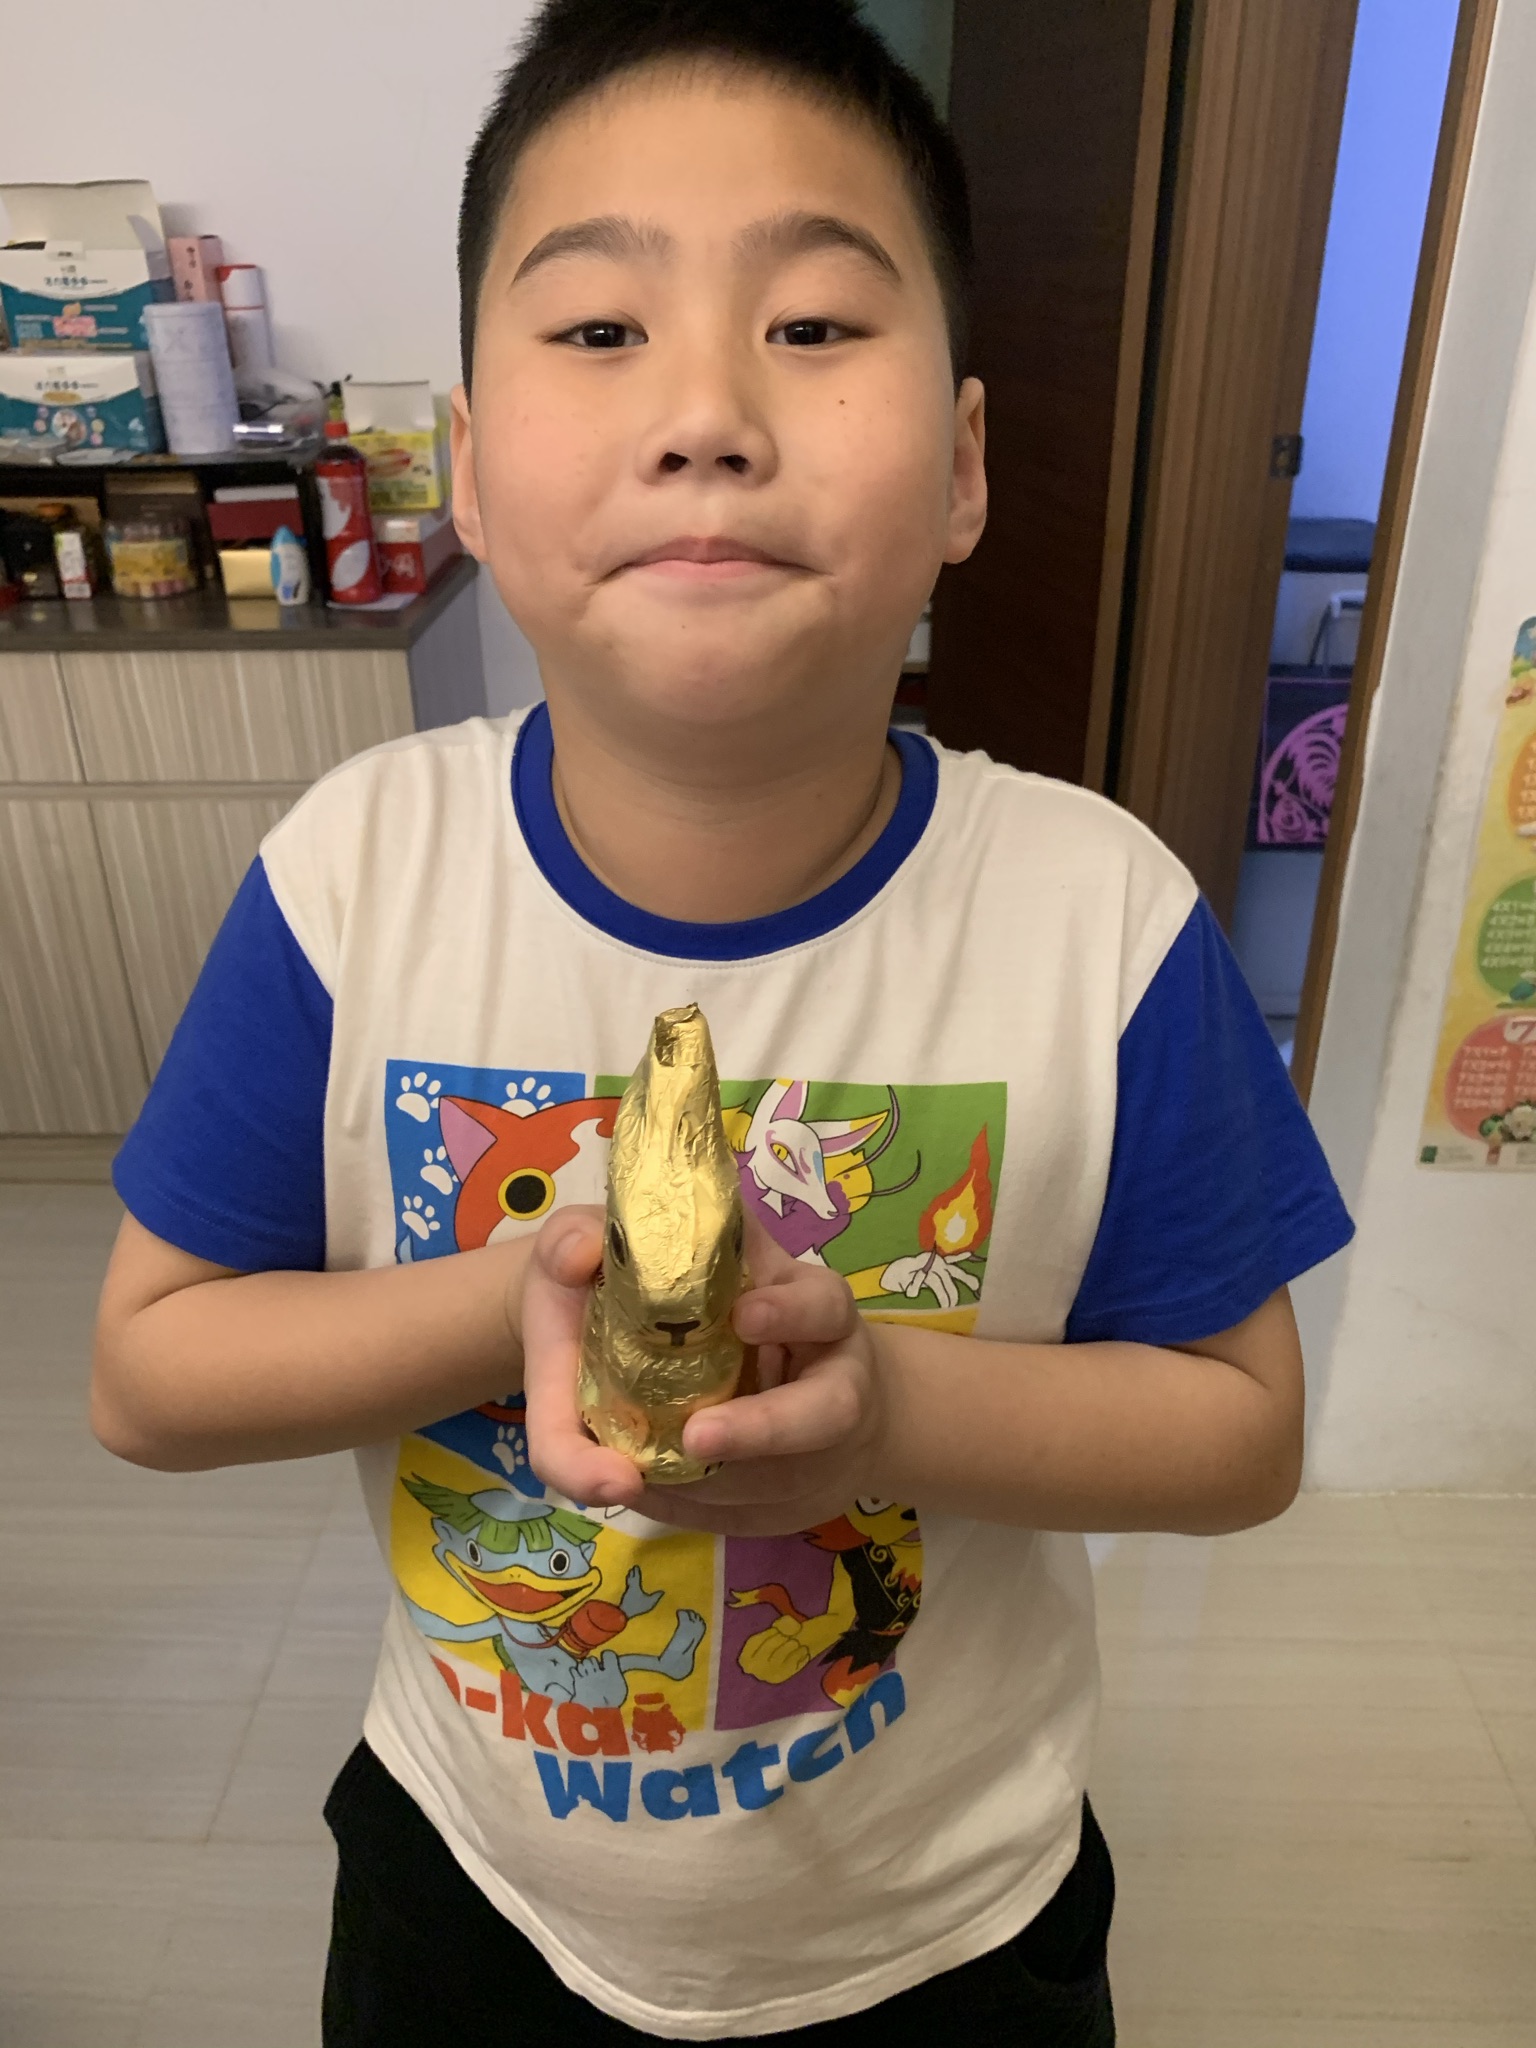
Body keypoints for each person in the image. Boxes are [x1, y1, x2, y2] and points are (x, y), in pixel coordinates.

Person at [91, 2, 1354, 2042]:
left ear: (962, 466)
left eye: (814, 325)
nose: (705, 414)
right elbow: (149, 1378)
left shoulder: (1102, 918)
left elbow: (1244, 1435)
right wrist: (528, 1293)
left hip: (948, 1920)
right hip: (473, 1883)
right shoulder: (352, 877)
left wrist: (890, 1417)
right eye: (600, 328)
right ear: (471, 470)